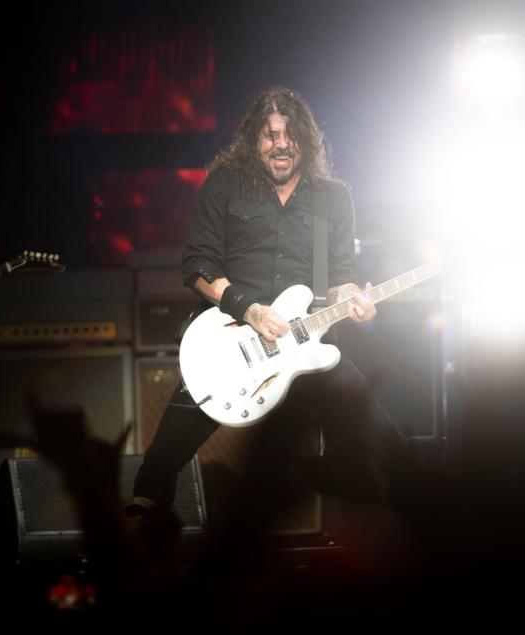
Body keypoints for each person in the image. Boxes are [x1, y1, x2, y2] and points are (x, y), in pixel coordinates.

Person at [127, 87, 406, 522]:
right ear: (253, 140)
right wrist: (250, 310)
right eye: (269, 134)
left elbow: (340, 275)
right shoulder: (225, 185)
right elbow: (197, 266)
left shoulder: (332, 197)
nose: (280, 144)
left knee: (388, 445)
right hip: (233, 340)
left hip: (305, 345)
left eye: (290, 135)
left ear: (306, 141)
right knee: (155, 475)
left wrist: (351, 298)